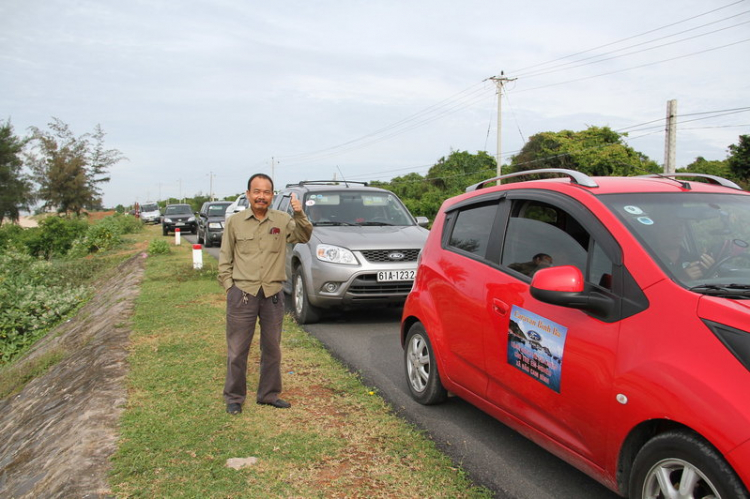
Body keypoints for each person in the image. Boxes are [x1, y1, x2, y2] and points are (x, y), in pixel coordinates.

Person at [218, 173, 313, 415]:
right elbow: (225, 258)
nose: (261, 196)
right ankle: (234, 398)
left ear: (272, 195)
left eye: (266, 192)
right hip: (243, 294)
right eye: (257, 191)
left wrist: (299, 213)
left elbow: (303, 235)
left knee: (272, 349)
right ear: (248, 194)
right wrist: (230, 287)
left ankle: (268, 394)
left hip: (272, 294)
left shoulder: (282, 220)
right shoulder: (235, 222)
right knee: (238, 349)